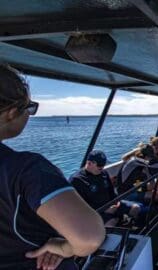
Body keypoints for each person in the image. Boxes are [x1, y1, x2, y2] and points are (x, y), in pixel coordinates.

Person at [0, 66, 105, 269]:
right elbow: (88, 238)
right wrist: (64, 248)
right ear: (12, 113)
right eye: (30, 108)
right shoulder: (25, 169)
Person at [69, 150, 142, 227]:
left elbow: (111, 192)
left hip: (110, 205)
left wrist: (117, 202)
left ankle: (131, 229)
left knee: (135, 208)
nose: (102, 167)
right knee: (111, 222)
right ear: (89, 163)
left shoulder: (104, 173)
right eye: (99, 166)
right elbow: (79, 207)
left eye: (103, 165)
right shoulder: (77, 180)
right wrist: (105, 210)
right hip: (95, 212)